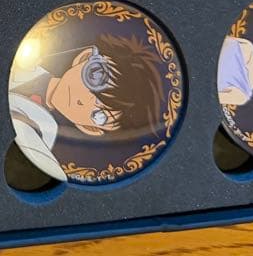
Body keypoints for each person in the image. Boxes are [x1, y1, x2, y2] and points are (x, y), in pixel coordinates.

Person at [9, 35, 167, 179]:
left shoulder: (38, 140)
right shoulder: (26, 64)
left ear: (90, 129)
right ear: (84, 57)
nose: (83, 100)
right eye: (95, 76)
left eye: (99, 115)